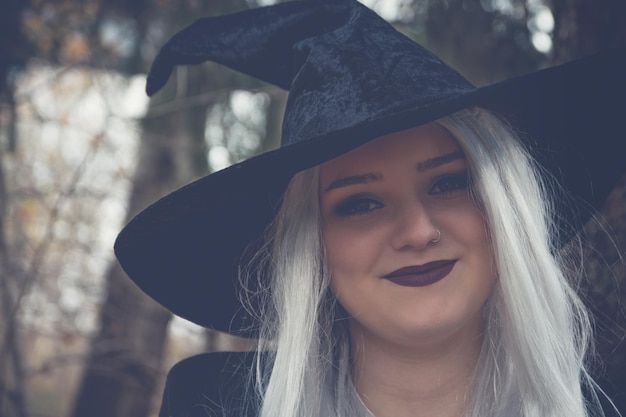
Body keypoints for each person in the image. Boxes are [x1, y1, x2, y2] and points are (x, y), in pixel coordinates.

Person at [114, 1, 626, 416]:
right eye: (361, 203)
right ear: (312, 246)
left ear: (504, 207)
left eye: (449, 183)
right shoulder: (213, 406)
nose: (418, 231)